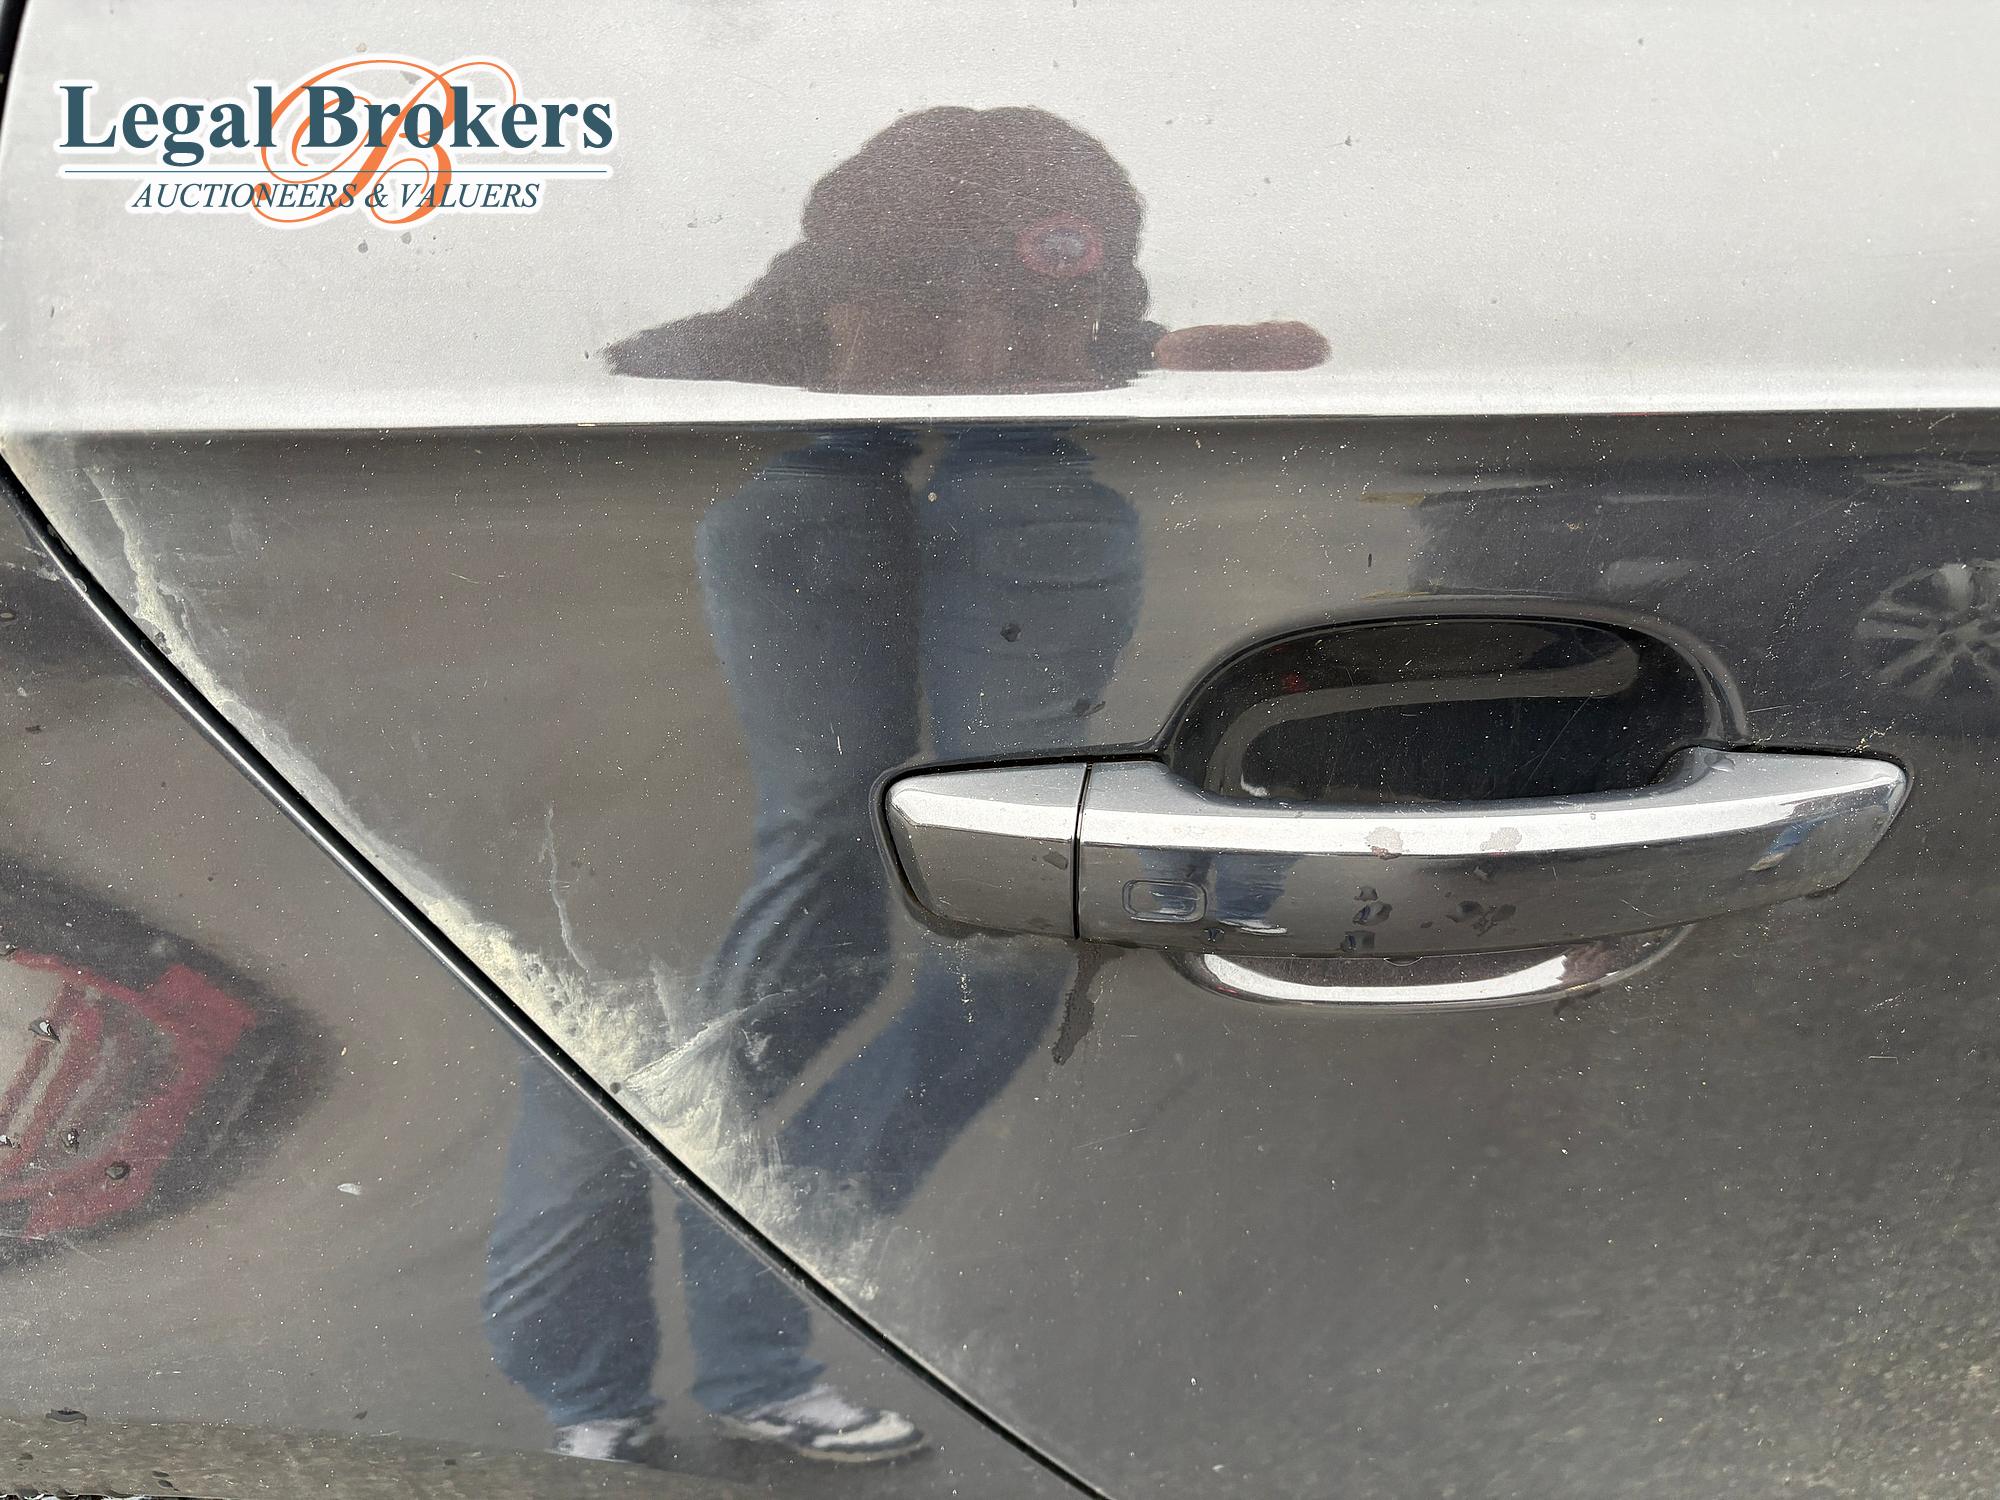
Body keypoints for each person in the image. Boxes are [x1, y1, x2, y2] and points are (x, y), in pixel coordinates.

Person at [485, 103, 1328, 1470]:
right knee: (911, 921)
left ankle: (660, 1349)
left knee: (894, 916)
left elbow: (1270, 347)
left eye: (1034, 302)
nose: (979, 345)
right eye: (928, 300)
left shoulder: (971, 405)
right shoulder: (929, 433)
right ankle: (678, 1344)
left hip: (868, 487)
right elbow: (661, 351)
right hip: (874, 489)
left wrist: (1122, 349)